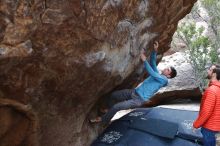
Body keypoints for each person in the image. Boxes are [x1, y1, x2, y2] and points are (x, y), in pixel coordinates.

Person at [90, 41, 177, 124]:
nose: (166, 68)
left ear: (169, 75)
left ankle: (103, 119)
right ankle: (108, 110)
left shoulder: (164, 80)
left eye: (168, 70)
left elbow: (152, 73)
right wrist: (155, 51)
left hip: (138, 100)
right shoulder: (159, 76)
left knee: (117, 107)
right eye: (167, 67)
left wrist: (144, 60)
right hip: (134, 92)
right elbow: (153, 63)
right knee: (114, 95)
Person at [193, 65, 220, 146]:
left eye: (210, 70)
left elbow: (206, 112)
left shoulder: (212, 90)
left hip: (209, 127)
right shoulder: (217, 88)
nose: (208, 71)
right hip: (215, 126)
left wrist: (196, 125)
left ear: (214, 74)